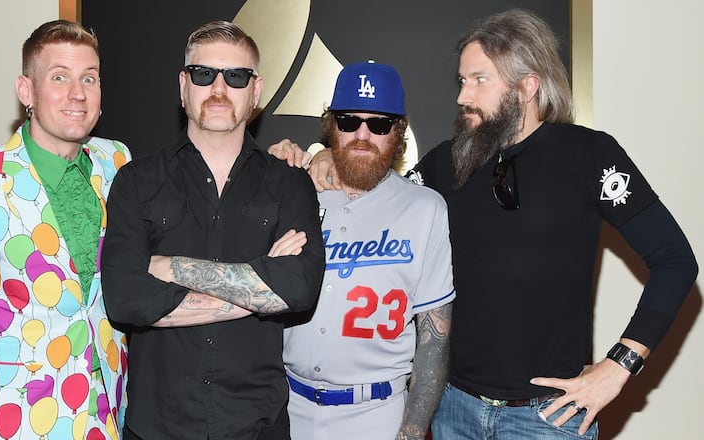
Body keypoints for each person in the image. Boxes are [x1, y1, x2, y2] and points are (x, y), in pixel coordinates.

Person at [276, 8, 698, 440]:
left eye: (479, 80)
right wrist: (327, 157)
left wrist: (618, 366)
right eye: (462, 80)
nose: (463, 96)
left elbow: (675, 261)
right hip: (453, 410)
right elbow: (381, 192)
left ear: (527, 86)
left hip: (548, 418)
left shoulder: (589, 155)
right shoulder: (448, 160)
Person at [100, 20, 325, 440]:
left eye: (236, 76)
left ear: (255, 91)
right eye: (204, 75)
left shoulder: (290, 182)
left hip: (258, 426)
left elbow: (298, 289)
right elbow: (125, 299)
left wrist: (167, 266)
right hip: (157, 427)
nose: (219, 88)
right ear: (184, 86)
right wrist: (261, 284)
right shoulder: (136, 181)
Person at [0, 20, 131, 439]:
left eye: (90, 78)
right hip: (9, 421)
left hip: (104, 418)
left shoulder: (117, 164)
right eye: (59, 77)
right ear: (26, 91)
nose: (78, 94)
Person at [280, 60, 455, 440]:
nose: (362, 135)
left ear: (398, 133)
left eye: (378, 124)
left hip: (376, 415)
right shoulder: (292, 192)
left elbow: (433, 343)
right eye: (348, 122)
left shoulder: (425, 208)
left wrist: (409, 434)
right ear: (331, 127)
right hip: (286, 409)